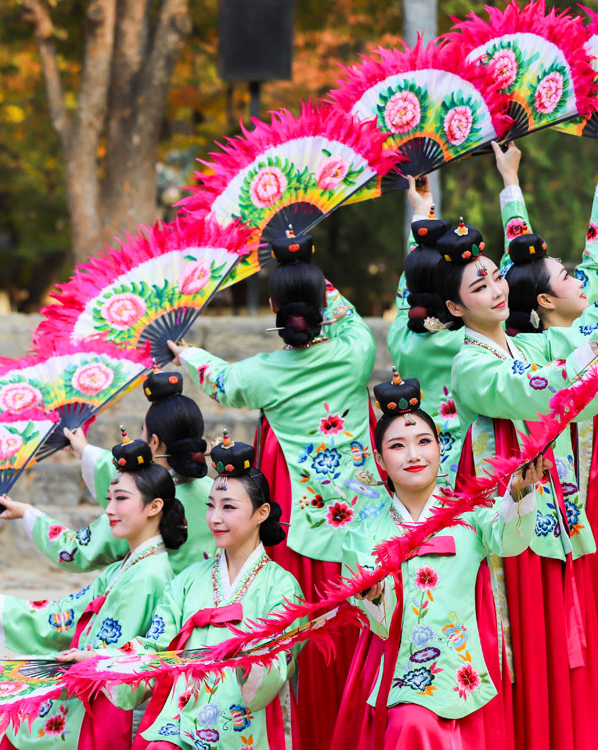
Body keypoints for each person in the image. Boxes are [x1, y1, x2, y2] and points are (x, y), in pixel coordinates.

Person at [440, 154, 598, 750]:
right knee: (525, 659)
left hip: (543, 524)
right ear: (453, 309)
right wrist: (594, 350)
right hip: (507, 530)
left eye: (495, 278)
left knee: (557, 663)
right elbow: (539, 389)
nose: (495, 288)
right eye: (479, 285)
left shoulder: (522, 347)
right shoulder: (475, 363)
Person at [167, 227, 377, 749]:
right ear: (324, 302)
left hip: (301, 522)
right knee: (363, 631)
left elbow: (221, 380)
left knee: (302, 635)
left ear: (272, 307)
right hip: (362, 521)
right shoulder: (357, 352)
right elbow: (346, 315)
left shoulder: (261, 372)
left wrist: (187, 353)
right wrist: (303, 259)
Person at [337, 370, 547, 749]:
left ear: (439, 448)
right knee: (411, 725)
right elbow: (376, 616)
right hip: (397, 671)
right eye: (397, 446)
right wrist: (373, 591)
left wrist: (520, 494)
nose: (414, 455)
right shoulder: (364, 531)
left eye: (423, 441)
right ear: (380, 460)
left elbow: (509, 540)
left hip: (461, 667)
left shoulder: (471, 515)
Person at [0, 432, 185, 749]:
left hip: (101, 703)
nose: (109, 509)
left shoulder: (149, 575)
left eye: (121, 499)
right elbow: (65, 615)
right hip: (85, 687)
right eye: (109, 499)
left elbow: (121, 654)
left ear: (155, 506)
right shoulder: (126, 566)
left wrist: (89, 657)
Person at [103, 432, 303, 750]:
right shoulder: (188, 580)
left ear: (261, 514)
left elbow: (278, 662)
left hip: (240, 727)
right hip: (180, 720)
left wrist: (248, 659)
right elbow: (155, 646)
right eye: (210, 506)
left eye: (228, 507)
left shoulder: (282, 587)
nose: (215, 518)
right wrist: (101, 659)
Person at [0, 371, 218, 575]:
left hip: (156, 609)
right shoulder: (217, 493)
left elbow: (77, 551)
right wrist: (85, 451)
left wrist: (27, 514)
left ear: (154, 442)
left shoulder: (143, 503)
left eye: (142, 430)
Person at [387, 175, 466, 489]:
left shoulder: (401, 338)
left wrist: (422, 212)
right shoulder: (475, 339)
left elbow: (414, 280)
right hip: (472, 458)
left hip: (422, 460)